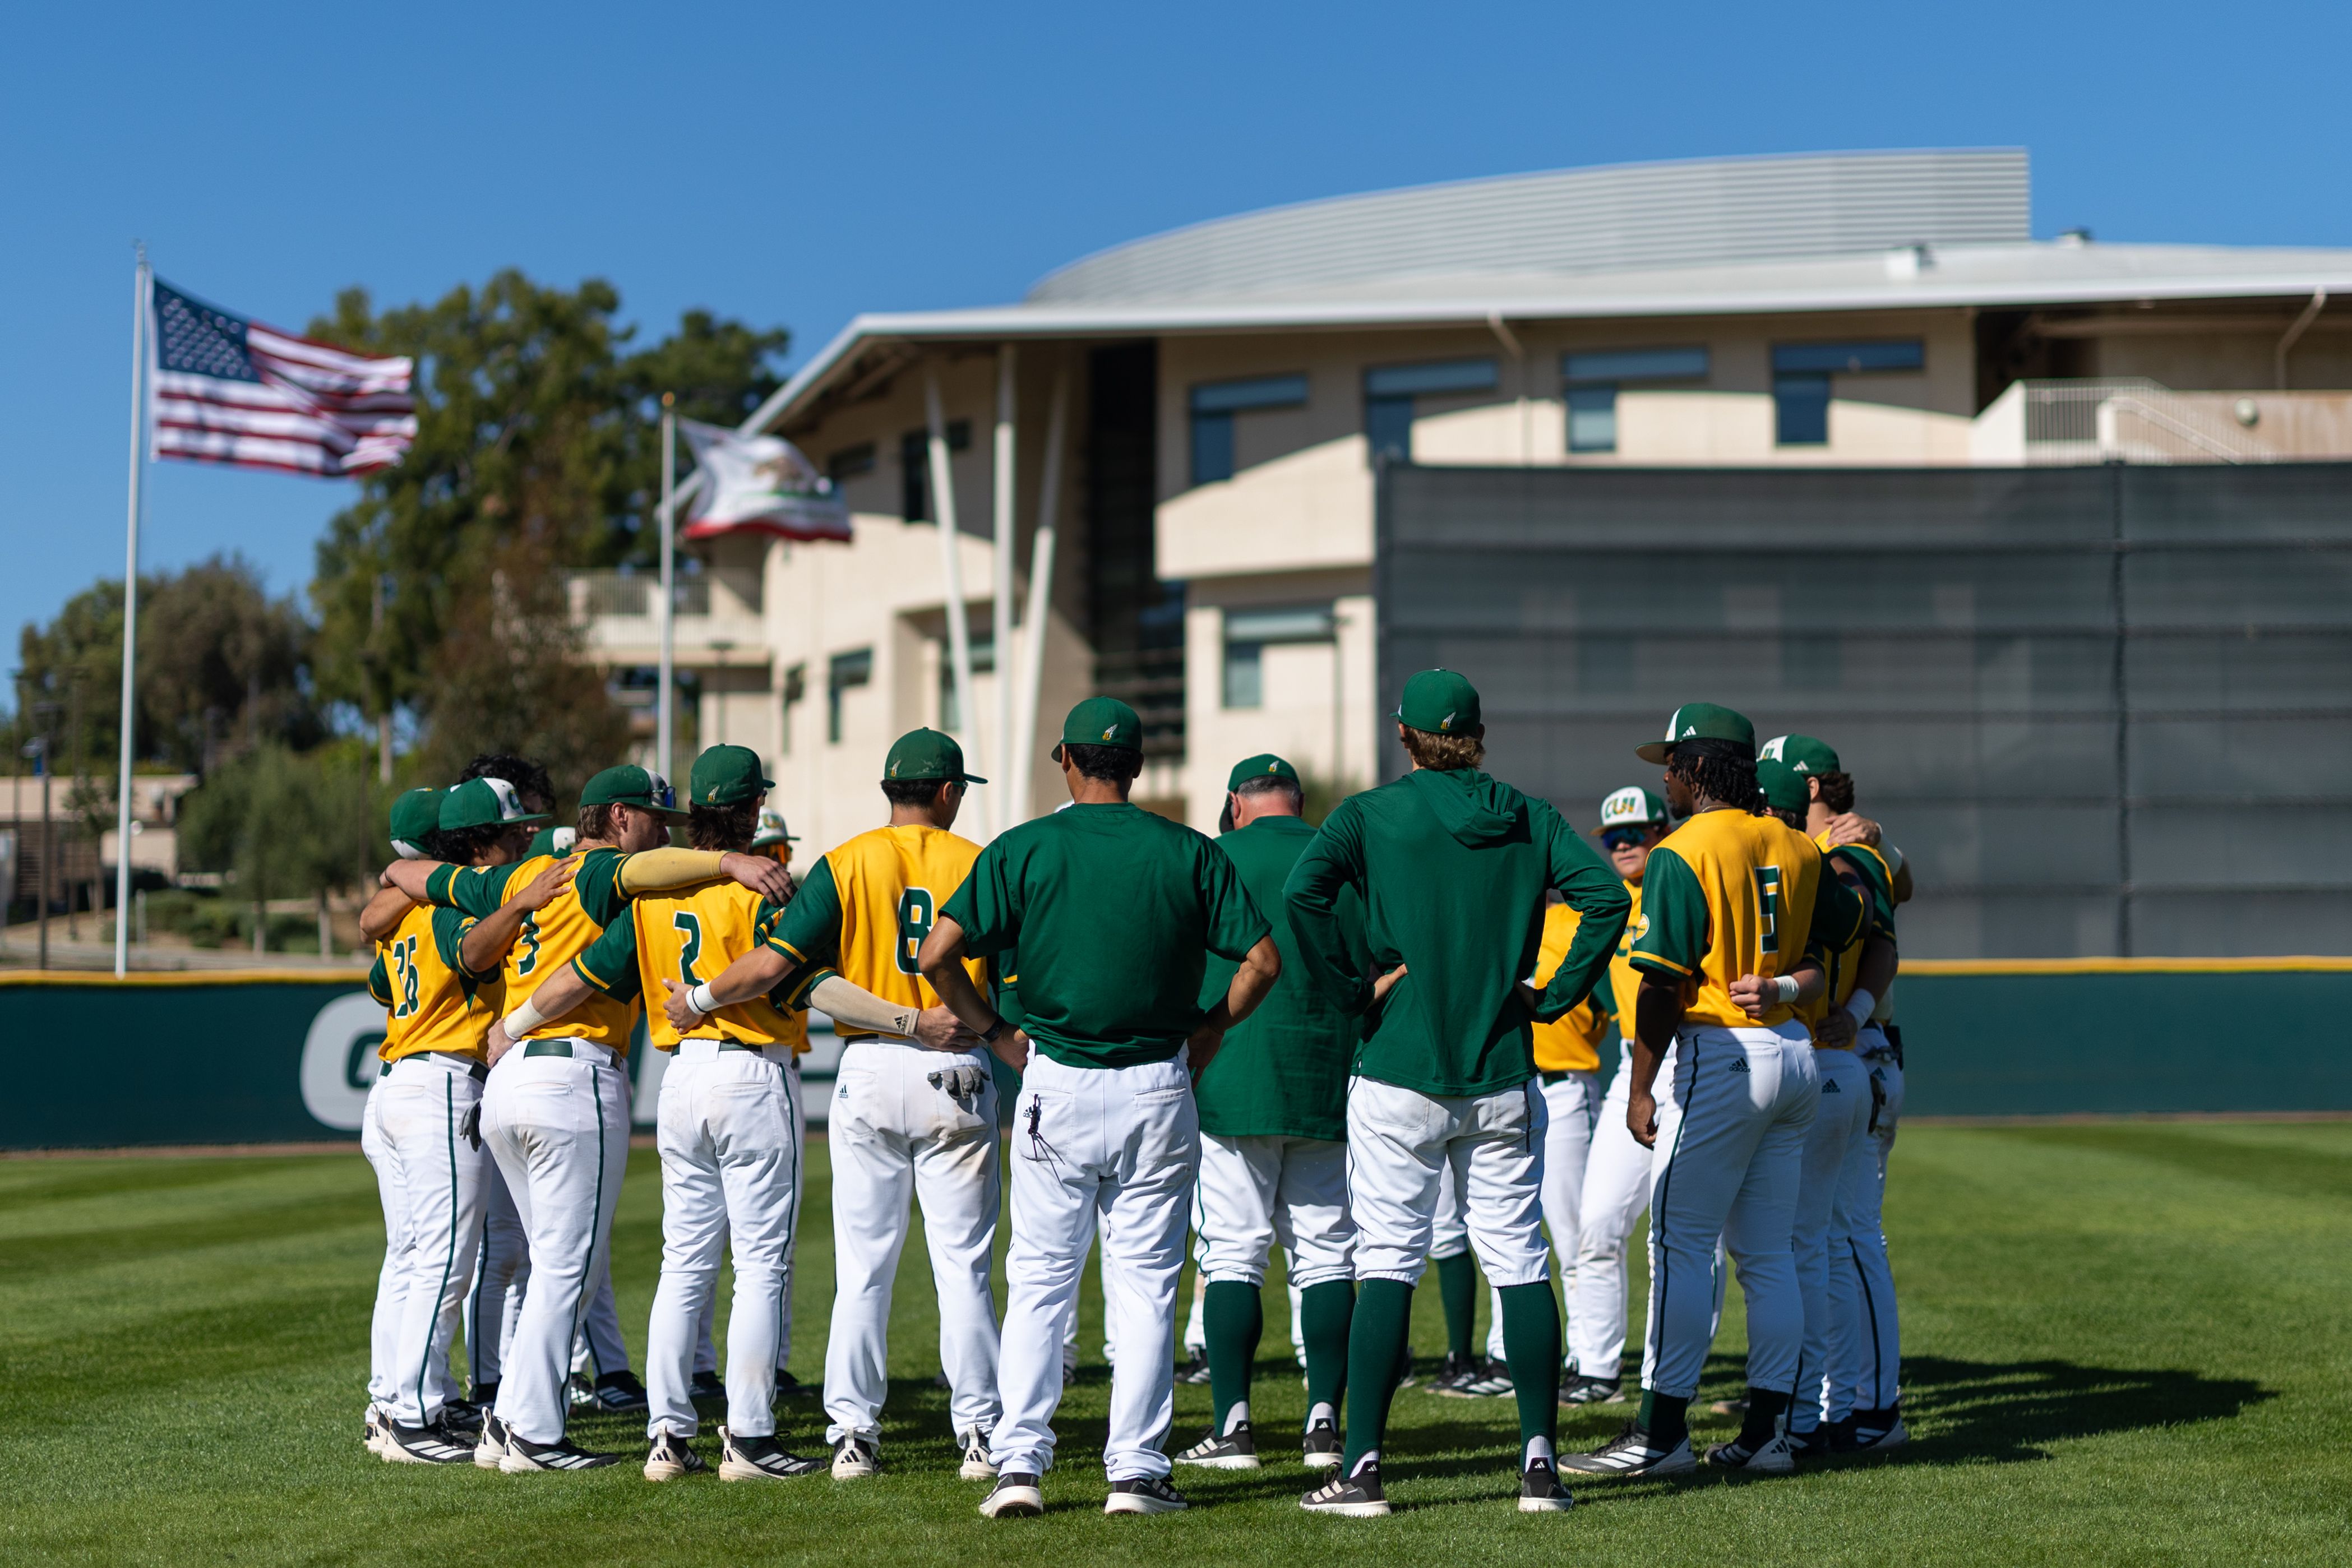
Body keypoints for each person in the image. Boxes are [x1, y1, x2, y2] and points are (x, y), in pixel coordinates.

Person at [919, 697, 1282, 1519]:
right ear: (1140, 766)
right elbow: (1261, 960)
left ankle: (1018, 1466)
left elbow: (937, 953)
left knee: (1041, 1281)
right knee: (1147, 1286)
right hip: (1158, 1079)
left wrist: (991, 1030)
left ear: (1066, 761)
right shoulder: (1186, 849)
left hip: (1057, 1081)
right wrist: (1212, 1029)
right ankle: (1136, 1472)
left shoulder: (1025, 847)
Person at [377, 764, 791, 1472]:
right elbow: (651, 872)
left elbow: (412, 875)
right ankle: (533, 1434)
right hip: (571, 1078)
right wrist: (728, 858)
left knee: (547, 1268)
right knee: (566, 1270)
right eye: (653, 817)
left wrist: (403, 879)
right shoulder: (596, 871)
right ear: (620, 819)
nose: (661, 831)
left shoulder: (520, 877)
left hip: (508, 1076)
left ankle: (505, 1424)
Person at [1286, 669, 1629, 1518]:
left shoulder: (1369, 813)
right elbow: (1604, 896)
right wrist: (1548, 996)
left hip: (1398, 1065)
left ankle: (1361, 1470)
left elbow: (1303, 893)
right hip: (1502, 1066)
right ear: (1476, 733)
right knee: (1517, 1262)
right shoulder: (1527, 813)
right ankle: (1540, 1467)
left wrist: (1347, 990)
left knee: (1386, 1263)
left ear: (1404, 736)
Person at [669, 728, 1002, 1482]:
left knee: (863, 1267)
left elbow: (774, 968)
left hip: (870, 1063)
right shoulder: (978, 862)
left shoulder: (844, 861)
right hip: (957, 1059)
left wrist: (695, 998)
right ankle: (980, 1434)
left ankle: (854, 1434)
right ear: (946, 792)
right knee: (962, 1268)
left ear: (890, 790)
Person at [1560, 703, 1862, 1479]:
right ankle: (1768, 1434)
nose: (1661, 774)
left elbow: (1658, 985)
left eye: (1670, 762)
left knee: (1679, 1244)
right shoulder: (1795, 845)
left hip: (1718, 1051)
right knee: (1766, 1254)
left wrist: (1636, 1086)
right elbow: (1838, 940)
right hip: (1793, 1056)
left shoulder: (1683, 849)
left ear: (1699, 769)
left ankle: (1659, 1435)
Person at [521, 745, 833, 1482]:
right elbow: (802, 986)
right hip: (751, 1071)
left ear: (695, 812)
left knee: (683, 1263)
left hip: (679, 1079)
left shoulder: (654, 895)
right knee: (759, 1265)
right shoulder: (767, 889)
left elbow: (583, 974)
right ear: (753, 808)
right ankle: (750, 1437)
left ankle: (667, 1435)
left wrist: (515, 1025)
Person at [358, 777, 572, 1464]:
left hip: (398, 1079)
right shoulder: (453, 903)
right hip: (439, 1080)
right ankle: (410, 1417)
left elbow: (381, 966)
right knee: (446, 1260)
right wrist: (517, 903)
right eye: (515, 834)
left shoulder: (401, 911)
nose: (525, 842)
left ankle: (392, 1398)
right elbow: (473, 950)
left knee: (412, 1256)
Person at [1172, 755, 1363, 1474]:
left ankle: (1233, 1427)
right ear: (1299, 800)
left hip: (1231, 1073)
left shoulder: (1214, 854)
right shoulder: (1341, 857)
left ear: (1235, 803)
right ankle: (1323, 1426)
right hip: (1328, 1073)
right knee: (1326, 1255)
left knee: (1233, 1251)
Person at [1763, 733, 1907, 1451]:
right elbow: (1899, 881)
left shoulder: (1846, 853)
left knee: (1841, 1239)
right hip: (1848, 1054)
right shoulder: (1840, 849)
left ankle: (1867, 1409)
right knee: (1828, 1240)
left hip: (1854, 1051)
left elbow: (1881, 936)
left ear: (1812, 789)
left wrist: (1850, 1012)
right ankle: (1840, 1405)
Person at [1563, 786, 1684, 1407]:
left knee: (1689, 1236)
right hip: (1631, 1064)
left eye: (1635, 832)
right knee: (1598, 1223)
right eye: (1612, 837)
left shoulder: (1680, 882)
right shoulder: (1609, 903)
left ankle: (1672, 1382)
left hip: (1692, 1056)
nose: (1623, 845)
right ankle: (1597, 1369)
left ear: (1662, 830)